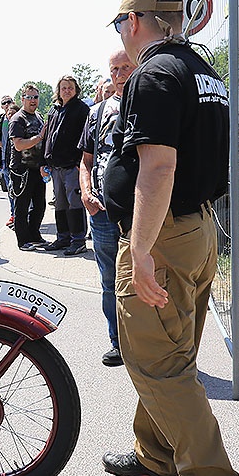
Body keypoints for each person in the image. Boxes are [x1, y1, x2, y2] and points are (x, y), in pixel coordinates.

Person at [101, 0, 239, 476]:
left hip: (164, 236)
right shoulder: (202, 71)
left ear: (136, 22)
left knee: (159, 364)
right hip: (197, 230)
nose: (120, 35)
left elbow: (158, 169)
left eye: (119, 25)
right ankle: (156, 455)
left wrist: (138, 250)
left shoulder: (154, 75)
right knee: (167, 351)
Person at [78, 49, 136, 368]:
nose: (120, 74)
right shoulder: (97, 112)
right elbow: (86, 161)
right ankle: (118, 342)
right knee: (110, 280)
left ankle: (145, 344)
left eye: (126, 67)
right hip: (101, 213)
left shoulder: (149, 104)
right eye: (115, 68)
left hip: (139, 213)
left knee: (145, 278)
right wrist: (86, 193)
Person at [41, 75, 90, 255]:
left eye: (70, 87)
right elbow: (46, 137)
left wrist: (80, 163)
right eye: (63, 87)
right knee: (60, 204)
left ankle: (78, 240)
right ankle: (63, 238)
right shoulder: (53, 110)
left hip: (72, 166)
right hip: (55, 167)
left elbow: (86, 137)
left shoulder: (82, 109)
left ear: (76, 89)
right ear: (58, 91)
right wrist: (43, 162)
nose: (67, 90)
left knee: (74, 203)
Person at [9, 85, 48, 250]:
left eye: (36, 97)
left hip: (37, 169)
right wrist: (39, 137)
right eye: (29, 97)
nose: (33, 100)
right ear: (22, 99)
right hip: (21, 170)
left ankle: (34, 234)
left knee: (40, 204)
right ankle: (23, 240)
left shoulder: (38, 116)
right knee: (22, 206)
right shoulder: (18, 119)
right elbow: (18, 145)